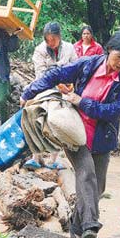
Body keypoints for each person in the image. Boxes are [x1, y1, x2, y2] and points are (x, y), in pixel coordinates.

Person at [20, 29, 120, 238]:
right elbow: (55, 74)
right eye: (119, 56)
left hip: (103, 137)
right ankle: (91, 225)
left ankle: (76, 231)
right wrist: (28, 93)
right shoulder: (88, 64)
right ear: (109, 49)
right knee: (86, 174)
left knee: (98, 188)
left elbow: (113, 111)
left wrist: (82, 102)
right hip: (75, 131)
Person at [24, 22, 78, 171]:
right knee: (38, 121)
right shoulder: (39, 50)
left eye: (53, 39)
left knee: (58, 125)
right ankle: (36, 157)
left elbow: (76, 67)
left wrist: (67, 83)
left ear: (60, 37)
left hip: (65, 92)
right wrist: (56, 77)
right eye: (47, 39)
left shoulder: (69, 48)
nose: (50, 42)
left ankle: (54, 159)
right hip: (44, 90)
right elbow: (40, 74)